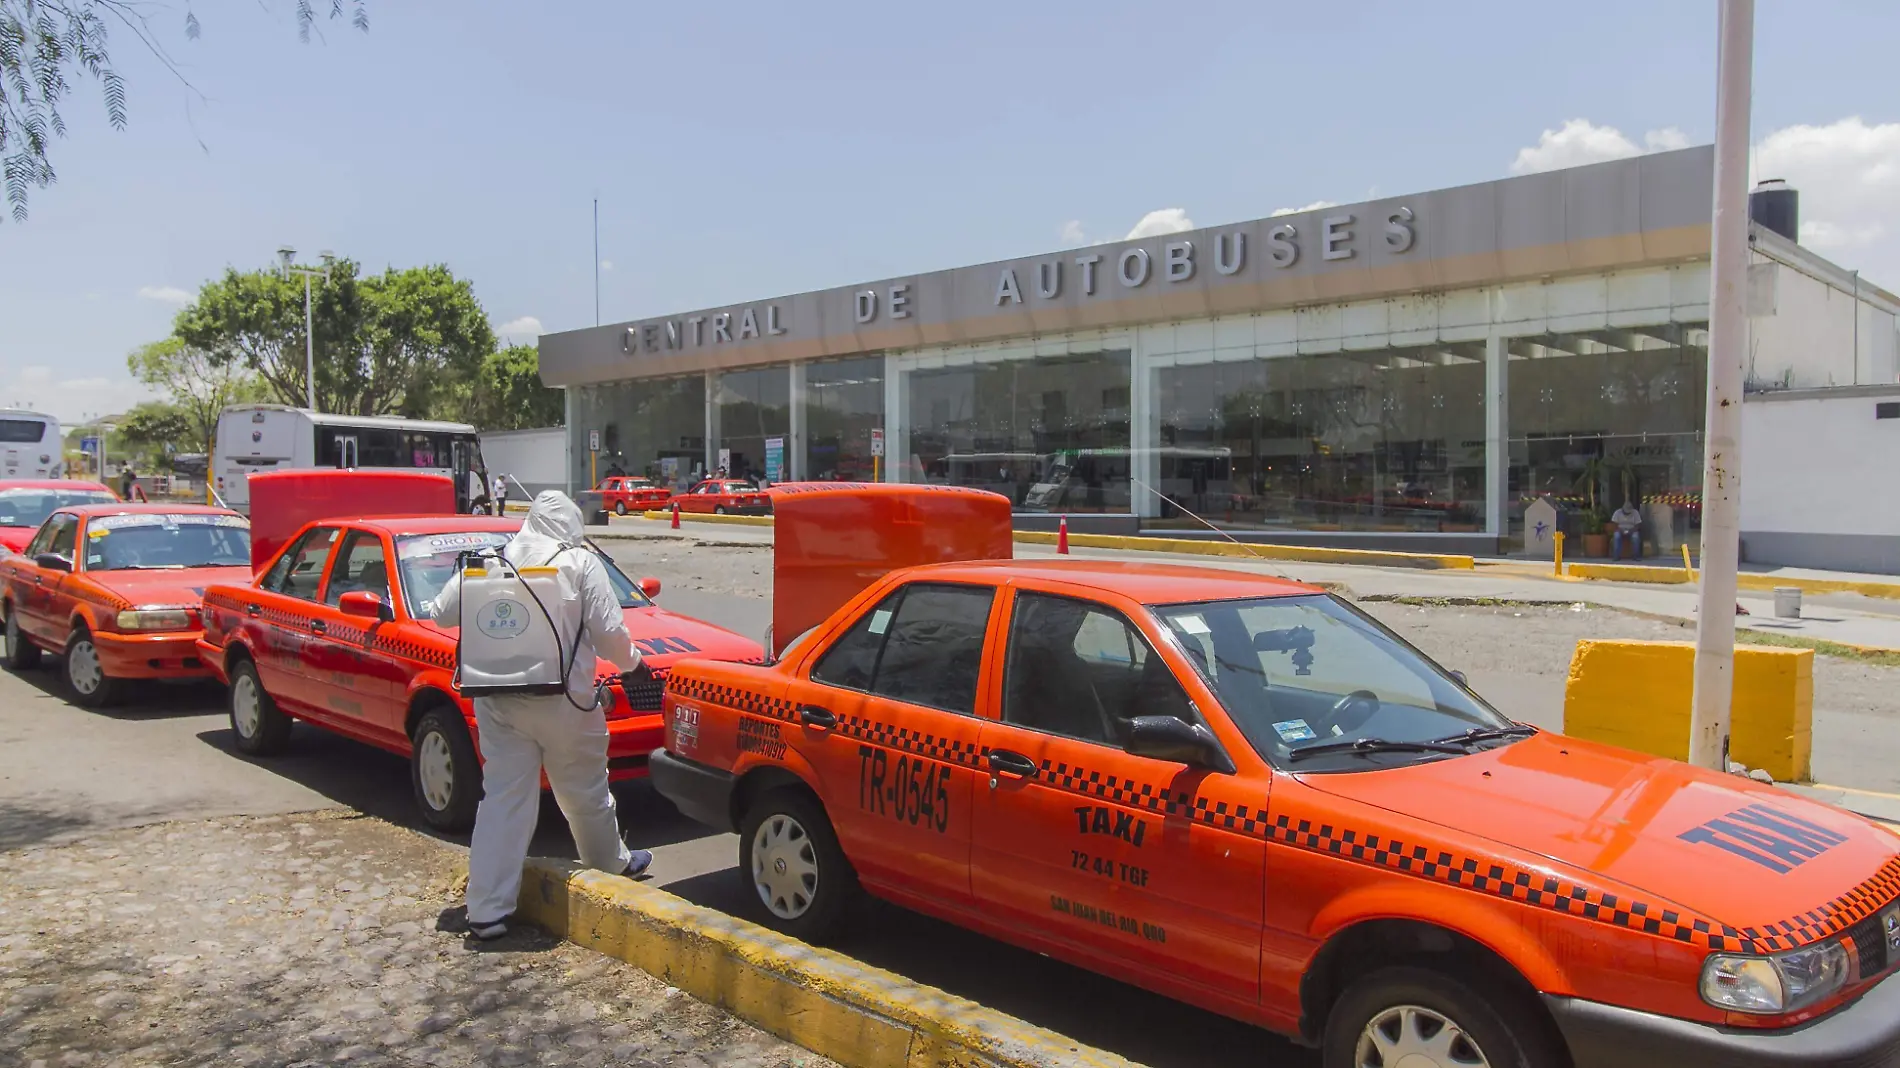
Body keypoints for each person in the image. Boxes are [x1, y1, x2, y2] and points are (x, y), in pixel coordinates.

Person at [429, 491, 652, 940]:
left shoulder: (490, 559)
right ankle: (609, 866)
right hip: (564, 702)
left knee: (504, 800)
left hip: (498, 700)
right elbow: (610, 637)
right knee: (584, 790)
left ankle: (487, 911)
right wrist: (635, 666)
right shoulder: (580, 563)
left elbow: (440, 614)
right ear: (570, 527)